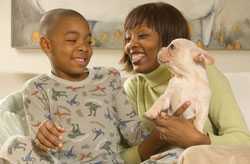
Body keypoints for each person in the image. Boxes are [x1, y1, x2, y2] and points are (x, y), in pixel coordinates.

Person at [0, 8, 150, 164]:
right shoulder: (36, 88)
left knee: (174, 154)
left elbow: (134, 134)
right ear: (46, 45)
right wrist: (41, 137)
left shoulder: (109, 78)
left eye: (89, 41)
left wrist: (163, 127)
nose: (84, 47)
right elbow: (42, 146)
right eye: (72, 40)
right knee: (14, 145)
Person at [119, 2, 250, 164]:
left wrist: (197, 139)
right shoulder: (131, 87)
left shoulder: (203, 74)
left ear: (169, 40)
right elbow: (117, 156)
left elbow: (243, 139)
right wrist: (159, 137)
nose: (130, 45)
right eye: (127, 38)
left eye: (142, 36)